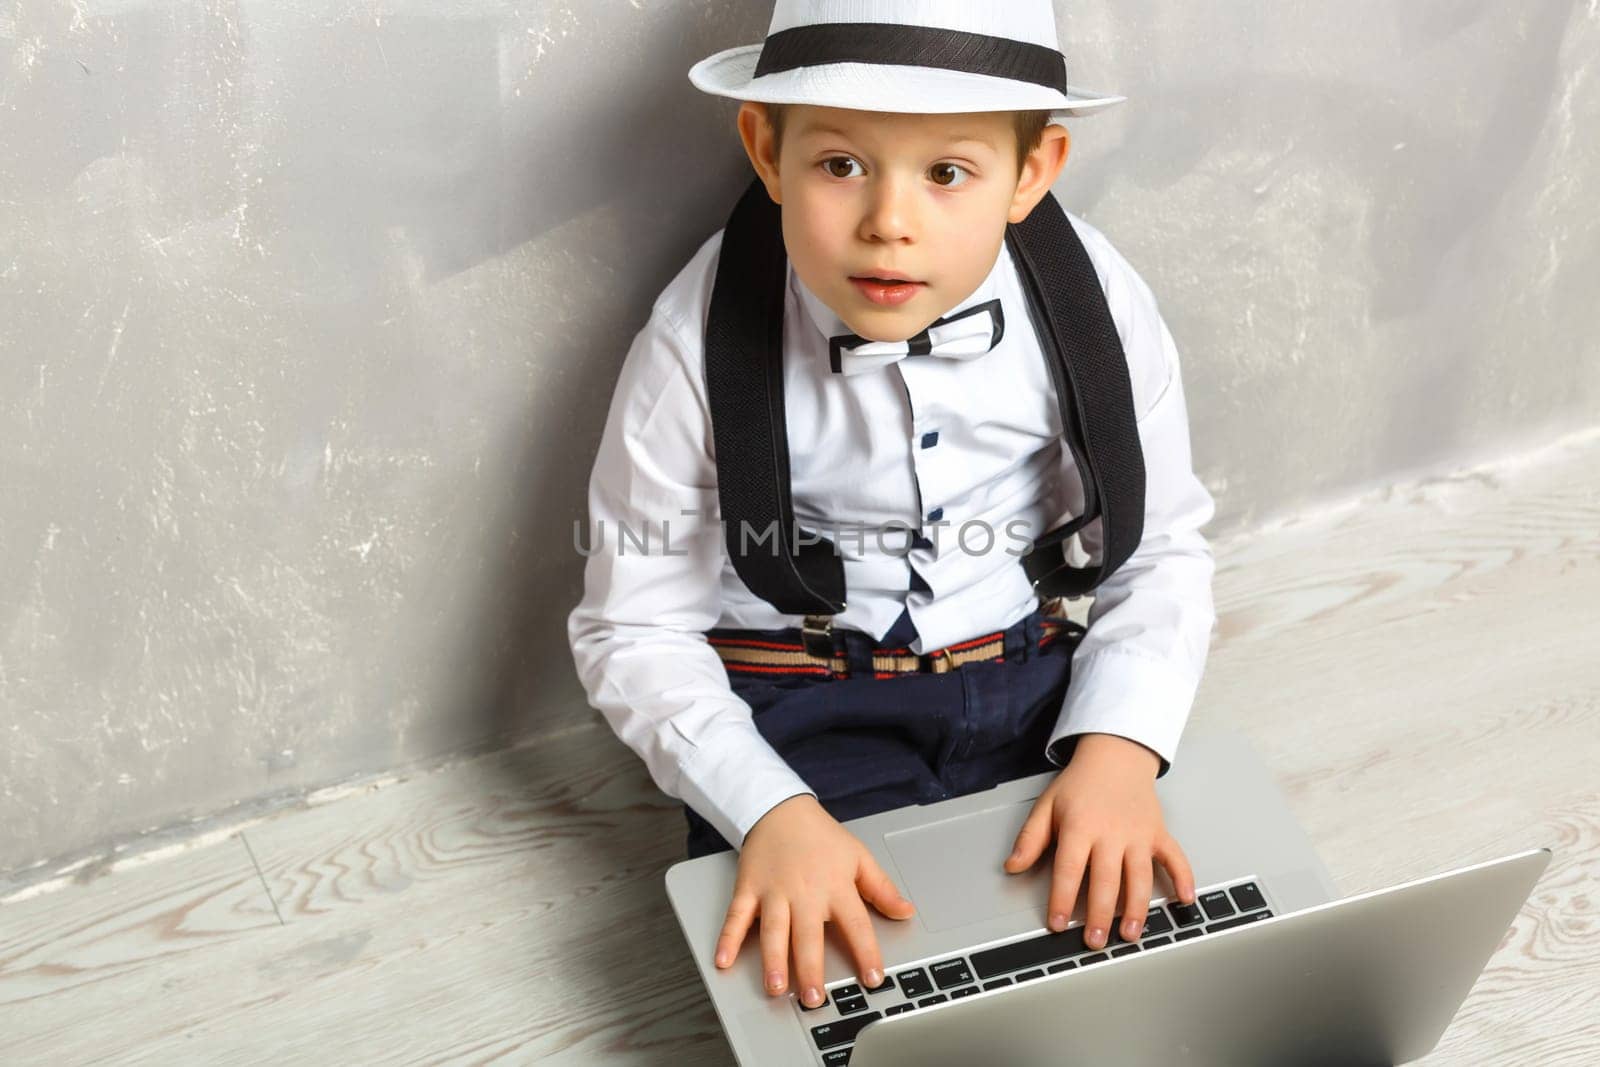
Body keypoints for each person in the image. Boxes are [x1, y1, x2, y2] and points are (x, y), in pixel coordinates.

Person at [567, 1, 1213, 1014]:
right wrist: (771, 809)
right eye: (839, 165)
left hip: (1030, 677)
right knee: (849, 1002)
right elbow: (633, 622)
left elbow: (1163, 547)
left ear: (1032, 172)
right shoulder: (695, 339)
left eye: (947, 172)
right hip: (800, 711)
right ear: (765, 151)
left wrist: (1120, 748)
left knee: (1148, 981)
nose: (889, 222)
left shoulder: (1093, 297)